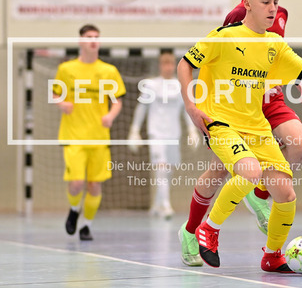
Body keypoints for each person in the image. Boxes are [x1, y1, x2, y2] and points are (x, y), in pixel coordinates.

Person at [178, 0, 302, 271]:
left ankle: (272, 256)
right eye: (265, 2)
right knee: (249, 171)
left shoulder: (274, 44)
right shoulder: (224, 36)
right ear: (247, 4)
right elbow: (185, 64)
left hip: (256, 126)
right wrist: (191, 106)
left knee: (285, 193)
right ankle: (208, 229)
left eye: (275, 2)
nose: (272, 8)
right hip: (221, 122)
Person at [53, 24, 126, 241]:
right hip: (73, 136)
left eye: (96, 37)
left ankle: (86, 225)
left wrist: (110, 116)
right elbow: (55, 94)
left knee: (94, 185)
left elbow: (117, 101)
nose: (93, 40)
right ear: (80, 41)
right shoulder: (66, 69)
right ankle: (74, 209)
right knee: (76, 183)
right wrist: (61, 103)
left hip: (99, 137)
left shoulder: (109, 71)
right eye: (88, 37)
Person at [127, 49, 199, 219]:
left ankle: (157, 204)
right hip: (156, 133)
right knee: (161, 167)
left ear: (174, 65)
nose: (168, 67)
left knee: (169, 170)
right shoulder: (151, 85)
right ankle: (166, 205)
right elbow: (142, 108)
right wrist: (134, 130)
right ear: (160, 65)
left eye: (171, 63)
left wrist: (192, 130)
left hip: (174, 134)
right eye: (165, 63)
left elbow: (187, 109)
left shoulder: (180, 86)